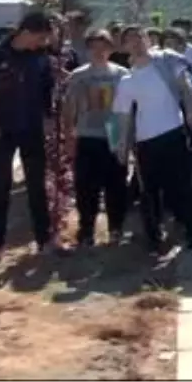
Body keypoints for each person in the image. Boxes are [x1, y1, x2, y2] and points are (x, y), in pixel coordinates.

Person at [111, 25, 192, 253]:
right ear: (124, 46)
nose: (136, 42)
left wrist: (191, 111)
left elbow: (186, 87)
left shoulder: (166, 61)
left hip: (174, 132)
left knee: (182, 187)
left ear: (147, 39)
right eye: (130, 40)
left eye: (139, 37)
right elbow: (121, 115)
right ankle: (154, 239)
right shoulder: (127, 80)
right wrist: (120, 143)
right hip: (146, 142)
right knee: (149, 193)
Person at [0, 12, 56, 256]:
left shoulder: (40, 58)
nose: (42, 43)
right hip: (2, 130)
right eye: (40, 38)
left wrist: (48, 115)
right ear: (26, 32)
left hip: (31, 128)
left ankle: (44, 239)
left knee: (36, 186)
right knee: (1, 186)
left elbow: (46, 89)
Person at [63, 29, 129, 248]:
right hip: (87, 133)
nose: (99, 52)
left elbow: (128, 109)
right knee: (86, 187)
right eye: (94, 47)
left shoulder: (122, 74)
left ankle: (116, 228)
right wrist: (69, 137)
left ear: (111, 49)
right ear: (88, 49)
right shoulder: (79, 75)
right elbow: (69, 107)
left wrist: (127, 139)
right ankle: (87, 229)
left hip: (113, 133)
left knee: (116, 185)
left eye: (104, 47)